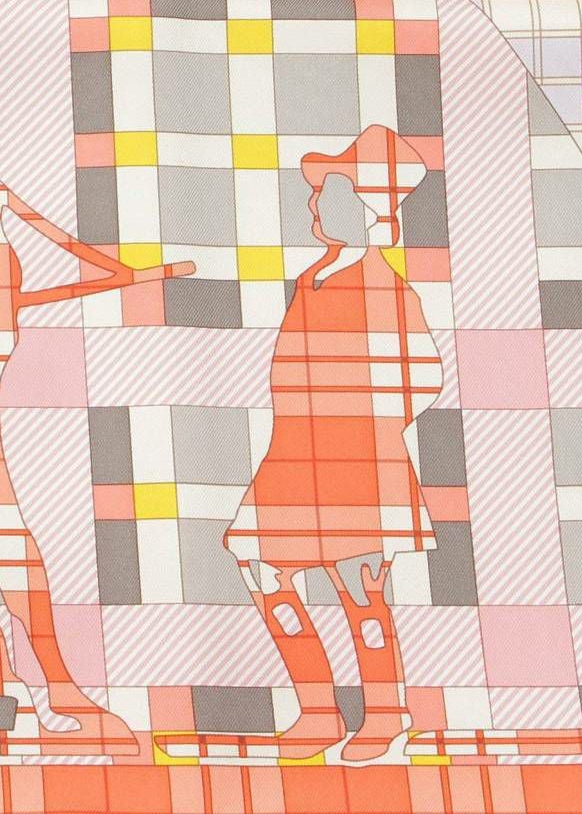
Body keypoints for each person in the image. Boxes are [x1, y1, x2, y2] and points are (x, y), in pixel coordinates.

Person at [224, 124, 443, 761]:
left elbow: (423, 373)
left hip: (357, 457)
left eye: (332, 192)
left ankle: (386, 712)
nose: (316, 203)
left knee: (359, 581)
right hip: (293, 453)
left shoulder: (385, 287)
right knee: (262, 566)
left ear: (369, 209)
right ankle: (318, 709)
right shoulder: (311, 279)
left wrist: (366, 423)